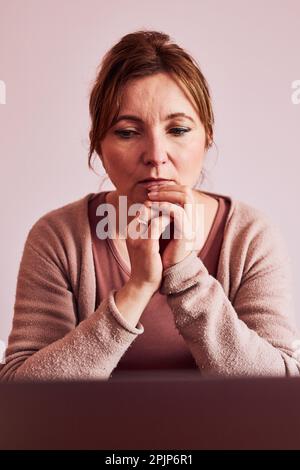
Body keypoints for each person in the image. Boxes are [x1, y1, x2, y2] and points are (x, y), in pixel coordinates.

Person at [1, 30, 299, 382]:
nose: (156, 157)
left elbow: (279, 389)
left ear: (208, 136)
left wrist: (186, 275)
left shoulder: (249, 235)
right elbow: (22, 394)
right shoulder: (59, 236)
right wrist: (137, 288)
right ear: (98, 145)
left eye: (178, 130)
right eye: (128, 132)